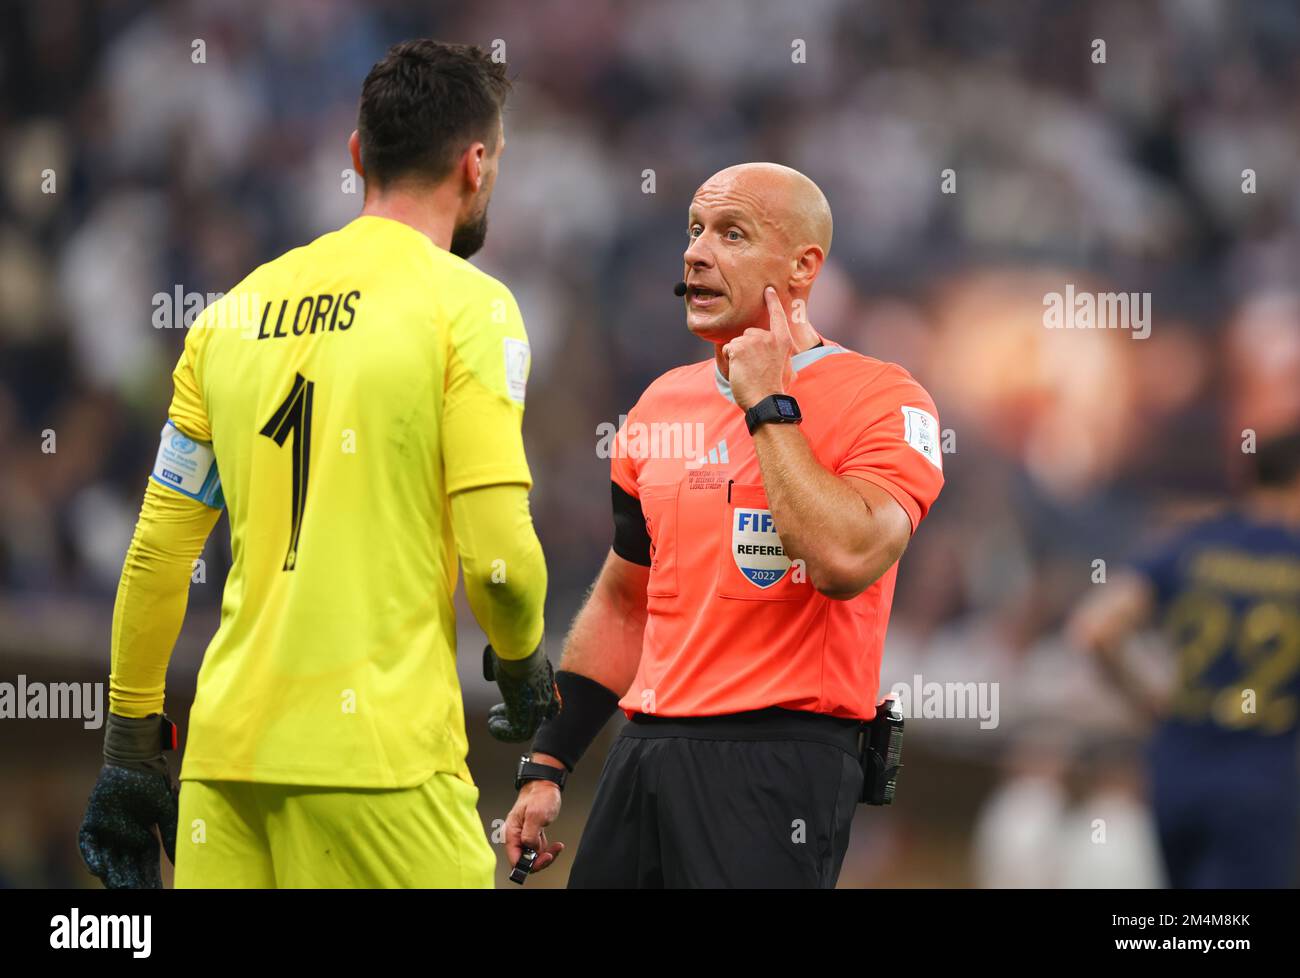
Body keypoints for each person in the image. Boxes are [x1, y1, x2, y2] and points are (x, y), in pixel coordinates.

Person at [77, 39, 558, 889]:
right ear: (476, 164)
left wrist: (128, 750)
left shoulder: (230, 316)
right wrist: (521, 662)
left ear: (356, 156)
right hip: (383, 767)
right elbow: (498, 562)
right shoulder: (471, 307)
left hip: (225, 773)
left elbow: (157, 555)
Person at [502, 163, 945, 888]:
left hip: (777, 762)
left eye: (731, 234)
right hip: (642, 752)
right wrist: (548, 762)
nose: (696, 252)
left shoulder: (885, 399)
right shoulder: (658, 407)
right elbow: (624, 601)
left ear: (804, 268)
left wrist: (768, 400)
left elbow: (844, 556)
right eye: (694, 231)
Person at [1067, 427, 1300, 888]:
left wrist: (1148, 700)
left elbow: (1094, 629)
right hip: (1265, 781)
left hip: (1176, 771)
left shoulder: (1194, 544)